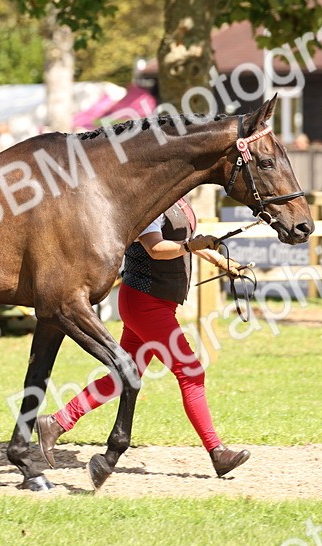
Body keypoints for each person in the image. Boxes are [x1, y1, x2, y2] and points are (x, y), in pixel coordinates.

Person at [36, 197, 253, 478]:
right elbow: (155, 248)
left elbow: (188, 242)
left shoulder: (179, 200)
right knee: (191, 373)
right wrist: (191, 246)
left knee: (123, 377)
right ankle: (217, 452)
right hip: (145, 302)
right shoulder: (150, 203)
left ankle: (56, 422)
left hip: (156, 302)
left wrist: (224, 262)